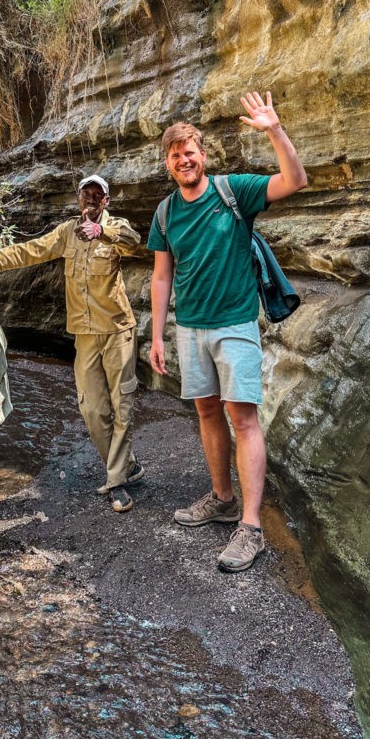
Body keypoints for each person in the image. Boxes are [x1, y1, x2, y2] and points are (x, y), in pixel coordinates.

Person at [147, 91, 307, 571]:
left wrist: (274, 129)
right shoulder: (164, 213)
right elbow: (161, 276)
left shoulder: (232, 190)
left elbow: (294, 180)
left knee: (243, 420)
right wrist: (157, 335)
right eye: (175, 156)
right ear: (169, 164)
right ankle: (222, 498)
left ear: (202, 155)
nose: (184, 160)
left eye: (189, 151)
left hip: (235, 324)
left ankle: (251, 527)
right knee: (208, 414)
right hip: (190, 329)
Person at [0, 174, 144, 514]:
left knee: (122, 405)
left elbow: (135, 242)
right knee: (91, 408)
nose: (90, 198)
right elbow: (27, 252)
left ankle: (117, 481)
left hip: (118, 331)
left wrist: (103, 232)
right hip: (85, 335)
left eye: (96, 194)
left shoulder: (117, 226)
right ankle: (128, 465)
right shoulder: (65, 233)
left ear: (106, 202)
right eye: (85, 193)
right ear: (78, 199)